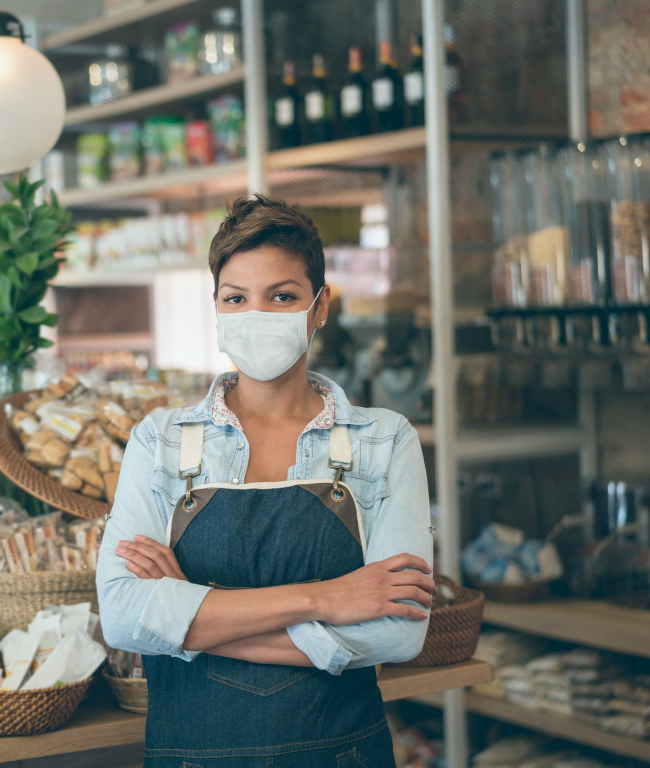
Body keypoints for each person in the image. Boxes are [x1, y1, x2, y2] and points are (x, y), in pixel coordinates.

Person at [96, 195, 435, 768]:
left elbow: (398, 634)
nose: (258, 313)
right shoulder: (161, 440)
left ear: (319, 306)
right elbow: (126, 616)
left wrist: (191, 620)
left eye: (282, 295)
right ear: (218, 309)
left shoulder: (385, 439)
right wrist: (326, 598)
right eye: (237, 298)